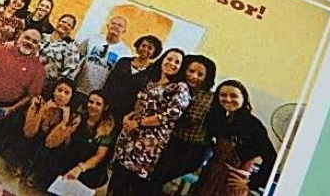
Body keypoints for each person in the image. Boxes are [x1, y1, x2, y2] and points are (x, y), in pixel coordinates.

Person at [107, 48, 191, 196]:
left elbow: (172, 114)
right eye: (169, 59)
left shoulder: (180, 87)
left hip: (149, 143)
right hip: (130, 135)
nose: (172, 63)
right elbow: (140, 103)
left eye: (177, 62)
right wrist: (128, 117)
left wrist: (140, 123)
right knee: (117, 177)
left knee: (131, 185)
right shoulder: (153, 82)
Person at [193, 80, 277, 196]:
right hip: (212, 173)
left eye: (233, 96)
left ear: (243, 98)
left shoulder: (252, 125)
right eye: (223, 95)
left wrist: (252, 184)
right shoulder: (220, 119)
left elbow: (271, 157)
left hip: (234, 181)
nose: (228, 99)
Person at [151, 55, 217, 195]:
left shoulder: (211, 99)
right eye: (191, 71)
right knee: (153, 180)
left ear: (207, 77)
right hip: (171, 142)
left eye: (200, 74)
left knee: (159, 180)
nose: (194, 77)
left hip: (192, 149)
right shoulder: (175, 88)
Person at [10, 77, 77, 187]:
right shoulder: (38, 101)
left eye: (66, 93)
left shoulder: (73, 117)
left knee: (48, 152)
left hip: (51, 146)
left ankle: (36, 174)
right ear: (53, 91)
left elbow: (50, 143)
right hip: (33, 136)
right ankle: (21, 164)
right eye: (59, 90)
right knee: (25, 141)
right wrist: (42, 110)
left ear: (71, 97)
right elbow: (28, 132)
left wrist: (64, 122)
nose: (61, 95)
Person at [46, 90, 117, 193]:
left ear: (105, 107)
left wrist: (80, 168)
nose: (93, 106)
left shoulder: (108, 128)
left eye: (98, 104)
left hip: (88, 167)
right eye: (91, 102)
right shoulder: (79, 117)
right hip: (71, 158)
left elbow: (99, 156)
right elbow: (66, 142)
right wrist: (67, 124)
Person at [102, 34, 164, 123]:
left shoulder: (153, 72)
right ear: (138, 46)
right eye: (143, 45)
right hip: (109, 106)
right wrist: (103, 101)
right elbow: (109, 82)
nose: (145, 49)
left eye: (150, 48)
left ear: (154, 52)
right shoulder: (123, 61)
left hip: (129, 114)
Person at [74, 16, 133, 105]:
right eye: (113, 23)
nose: (116, 26)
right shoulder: (93, 39)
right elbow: (77, 56)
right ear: (108, 25)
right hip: (78, 88)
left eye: (120, 25)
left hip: (100, 97)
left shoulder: (126, 52)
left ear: (124, 31)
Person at [39, 14, 81, 87]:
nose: (64, 25)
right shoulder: (42, 36)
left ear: (71, 30)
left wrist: (53, 86)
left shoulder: (71, 49)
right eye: (63, 22)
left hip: (45, 84)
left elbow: (69, 72)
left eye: (68, 25)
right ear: (58, 22)